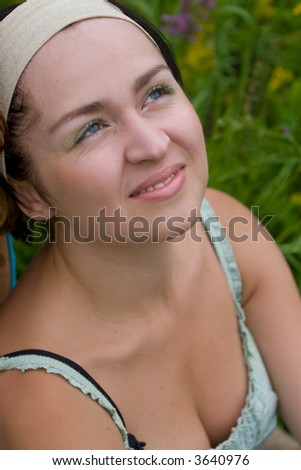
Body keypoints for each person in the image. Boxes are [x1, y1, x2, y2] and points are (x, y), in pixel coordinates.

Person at [0, 0, 300, 451]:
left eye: (155, 93)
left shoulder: (227, 231)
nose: (152, 144)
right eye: (90, 128)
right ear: (29, 194)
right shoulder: (40, 396)